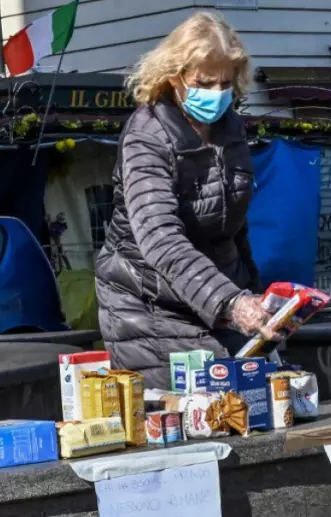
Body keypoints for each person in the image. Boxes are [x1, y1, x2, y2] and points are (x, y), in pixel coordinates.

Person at [95, 12, 278, 389]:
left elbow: (234, 225)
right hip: (149, 307)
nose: (216, 93)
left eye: (225, 83)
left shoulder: (231, 129)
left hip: (218, 295)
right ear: (174, 77)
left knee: (260, 393)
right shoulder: (147, 134)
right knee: (204, 408)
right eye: (204, 83)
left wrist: (254, 297)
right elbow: (160, 239)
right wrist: (231, 302)